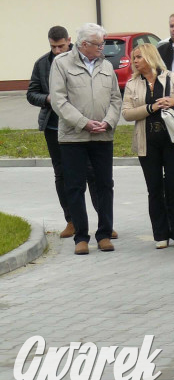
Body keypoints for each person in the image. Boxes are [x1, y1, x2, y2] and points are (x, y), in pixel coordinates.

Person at [27, 25, 108, 240]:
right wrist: (47, 99)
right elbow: (31, 93)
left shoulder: (83, 58)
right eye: (53, 47)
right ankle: (71, 221)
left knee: (91, 173)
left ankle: (104, 222)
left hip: (83, 127)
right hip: (54, 127)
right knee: (63, 175)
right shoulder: (43, 64)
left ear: (70, 40)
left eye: (60, 46)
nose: (56, 51)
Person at [49, 23, 122, 255]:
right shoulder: (61, 64)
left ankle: (104, 234)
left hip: (102, 135)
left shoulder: (107, 66)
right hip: (73, 137)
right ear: (84, 45)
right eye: (99, 44)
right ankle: (81, 237)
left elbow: (115, 99)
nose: (103, 48)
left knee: (104, 185)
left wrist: (108, 121)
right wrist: (84, 122)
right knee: (75, 186)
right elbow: (59, 101)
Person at [121, 43, 174, 248]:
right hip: (147, 142)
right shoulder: (133, 84)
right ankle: (160, 234)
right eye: (134, 58)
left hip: (172, 140)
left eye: (138, 57)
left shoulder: (172, 78)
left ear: (150, 57)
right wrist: (150, 107)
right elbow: (127, 113)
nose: (135, 62)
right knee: (155, 188)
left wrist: (173, 101)